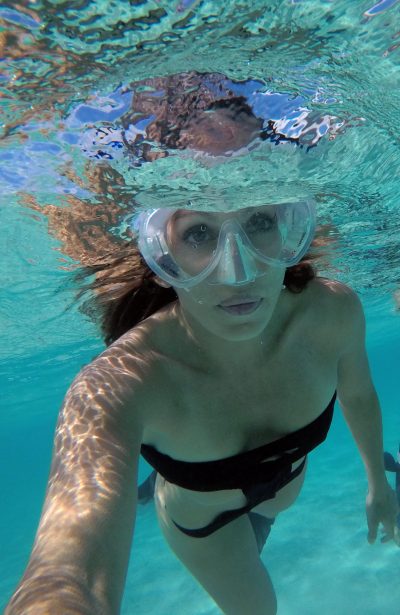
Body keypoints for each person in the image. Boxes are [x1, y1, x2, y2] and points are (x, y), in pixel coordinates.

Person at [6, 73, 399, 615]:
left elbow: (358, 396)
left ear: (290, 223)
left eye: (260, 220)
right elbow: (71, 573)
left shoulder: (334, 312)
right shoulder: (119, 386)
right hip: (202, 525)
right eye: (197, 234)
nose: (237, 272)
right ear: (159, 256)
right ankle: (156, 487)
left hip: (279, 496)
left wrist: (378, 485)